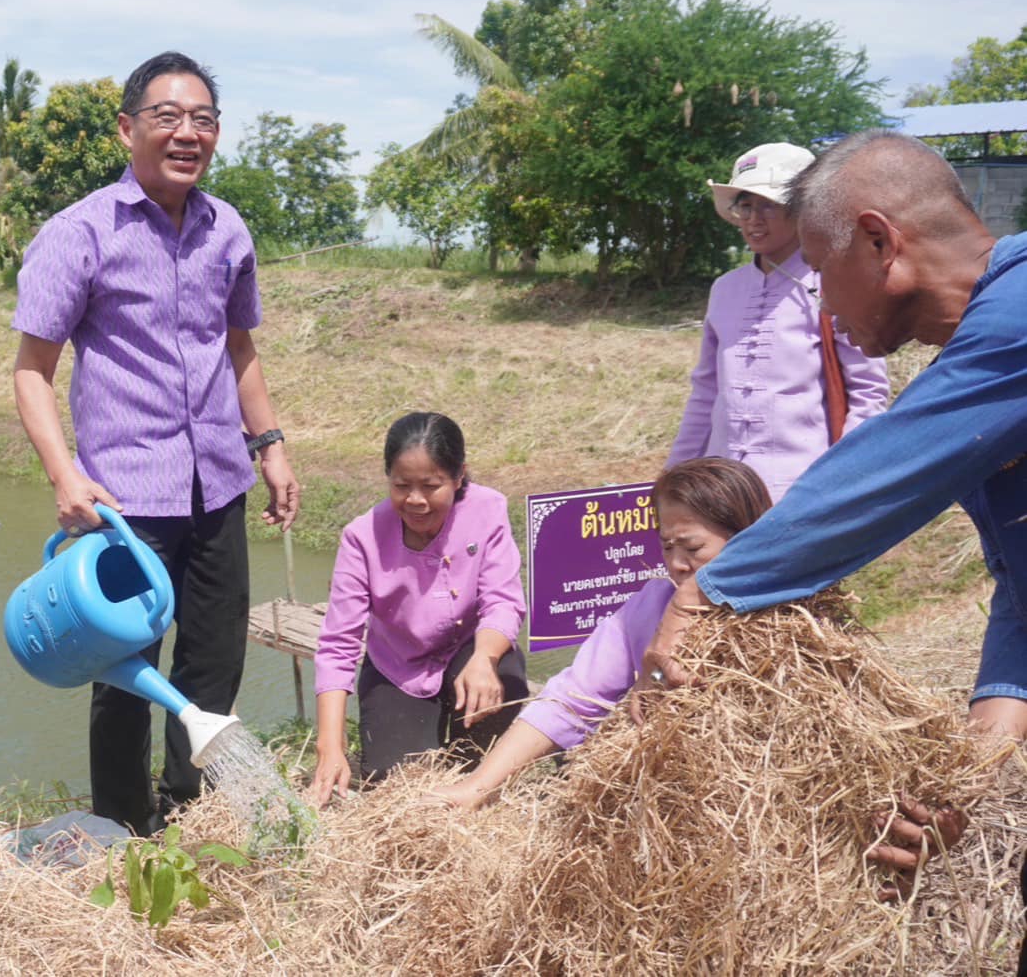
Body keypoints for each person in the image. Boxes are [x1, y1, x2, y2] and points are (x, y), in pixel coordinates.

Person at [634, 129, 1020, 905]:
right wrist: (983, 759)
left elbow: (883, 472)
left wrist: (705, 592)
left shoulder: (1019, 319)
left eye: (821, 271)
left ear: (879, 241)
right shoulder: (986, 363)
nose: (823, 303)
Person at [11, 50, 299, 836]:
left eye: (203, 120)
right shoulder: (80, 233)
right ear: (127, 128)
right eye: (167, 117)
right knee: (122, 674)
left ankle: (187, 807)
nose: (187, 133)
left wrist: (269, 444)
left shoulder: (226, 228)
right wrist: (63, 475)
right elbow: (32, 370)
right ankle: (120, 829)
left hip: (217, 483)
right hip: (123, 500)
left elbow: (238, 348)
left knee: (214, 661)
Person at [430, 458, 771, 809]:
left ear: (745, 536)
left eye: (694, 548)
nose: (677, 564)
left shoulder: (783, 617)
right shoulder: (650, 608)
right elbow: (572, 699)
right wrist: (478, 786)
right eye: (667, 546)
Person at [310, 412, 529, 806]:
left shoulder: (488, 510)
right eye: (401, 486)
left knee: (488, 744)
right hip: (400, 666)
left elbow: (503, 600)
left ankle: (479, 781)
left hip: (472, 650)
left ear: (458, 476)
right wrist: (330, 746)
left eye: (431, 486)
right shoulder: (361, 538)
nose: (415, 500)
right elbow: (338, 645)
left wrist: (484, 658)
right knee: (398, 787)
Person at [669, 142, 889, 502]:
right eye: (746, 205)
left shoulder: (835, 283)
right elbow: (706, 391)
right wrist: (676, 474)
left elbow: (867, 393)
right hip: (724, 489)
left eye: (769, 205)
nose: (755, 219)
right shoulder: (725, 289)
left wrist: (842, 479)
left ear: (801, 211)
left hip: (804, 486)